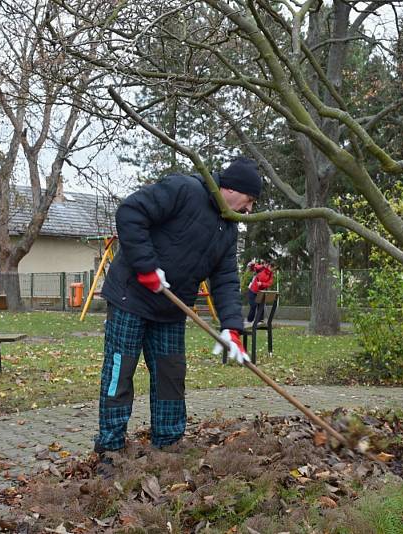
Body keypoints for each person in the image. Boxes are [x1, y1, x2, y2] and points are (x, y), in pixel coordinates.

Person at [94, 157, 262, 461]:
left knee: (171, 376)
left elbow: (225, 278)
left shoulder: (228, 228)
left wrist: (232, 328)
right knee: (120, 373)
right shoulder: (183, 189)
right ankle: (110, 447)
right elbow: (131, 212)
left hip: (172, 309)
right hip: (130, 298)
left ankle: (168, 445)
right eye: (249, 200)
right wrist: (146, 266)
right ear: (232, 188)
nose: (249, 209)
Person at [245, 260, 274, 326]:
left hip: (260, 292)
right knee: (253, 305)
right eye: (270, 266)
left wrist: (261, 284)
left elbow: (269, 284)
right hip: (252, 290)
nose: (271, 268)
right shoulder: (261, 268)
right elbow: (253, 268)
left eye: (272, 267)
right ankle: (249, 321)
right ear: (267, 265)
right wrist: (252, 264)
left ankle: (260, 321)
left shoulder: (270, 275)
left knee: (261, 306)